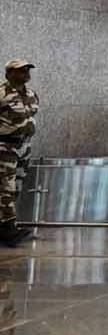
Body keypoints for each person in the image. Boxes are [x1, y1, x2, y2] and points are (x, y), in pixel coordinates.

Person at [0, 60, 39, 245]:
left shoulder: (31, 95)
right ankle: (8, 230)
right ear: (10, 73)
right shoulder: (2, 93)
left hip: (23, 147)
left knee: (16, 187)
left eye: (27, 70)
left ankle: (7, 225)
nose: (26, 73)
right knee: (4, 188)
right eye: (21, 70)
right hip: (5, 147)